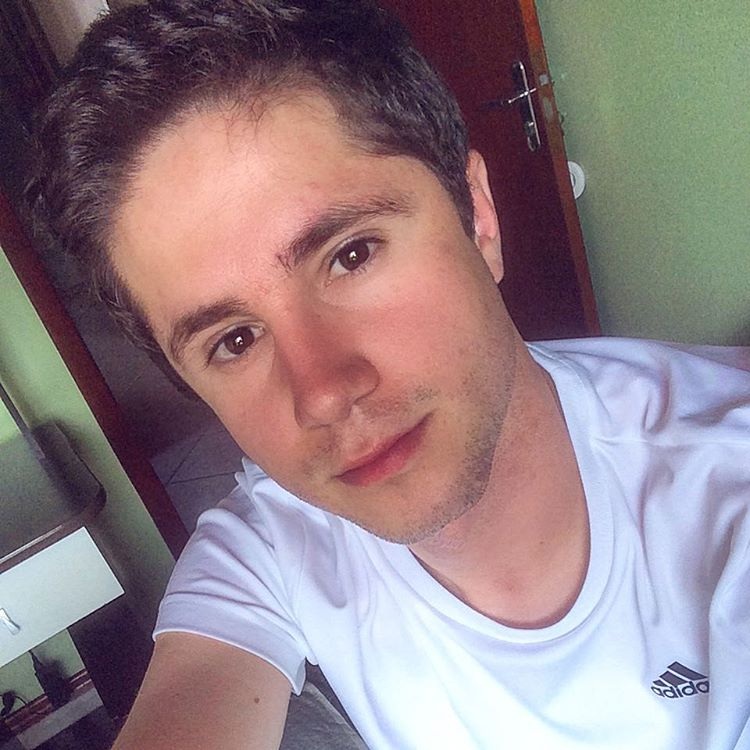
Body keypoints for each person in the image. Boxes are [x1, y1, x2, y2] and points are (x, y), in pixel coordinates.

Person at [27, 1, 750, 748]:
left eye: (351, 254)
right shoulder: (268, 549)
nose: (323, 392)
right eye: (235, 340)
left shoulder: (725, 469)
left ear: (478, 217)